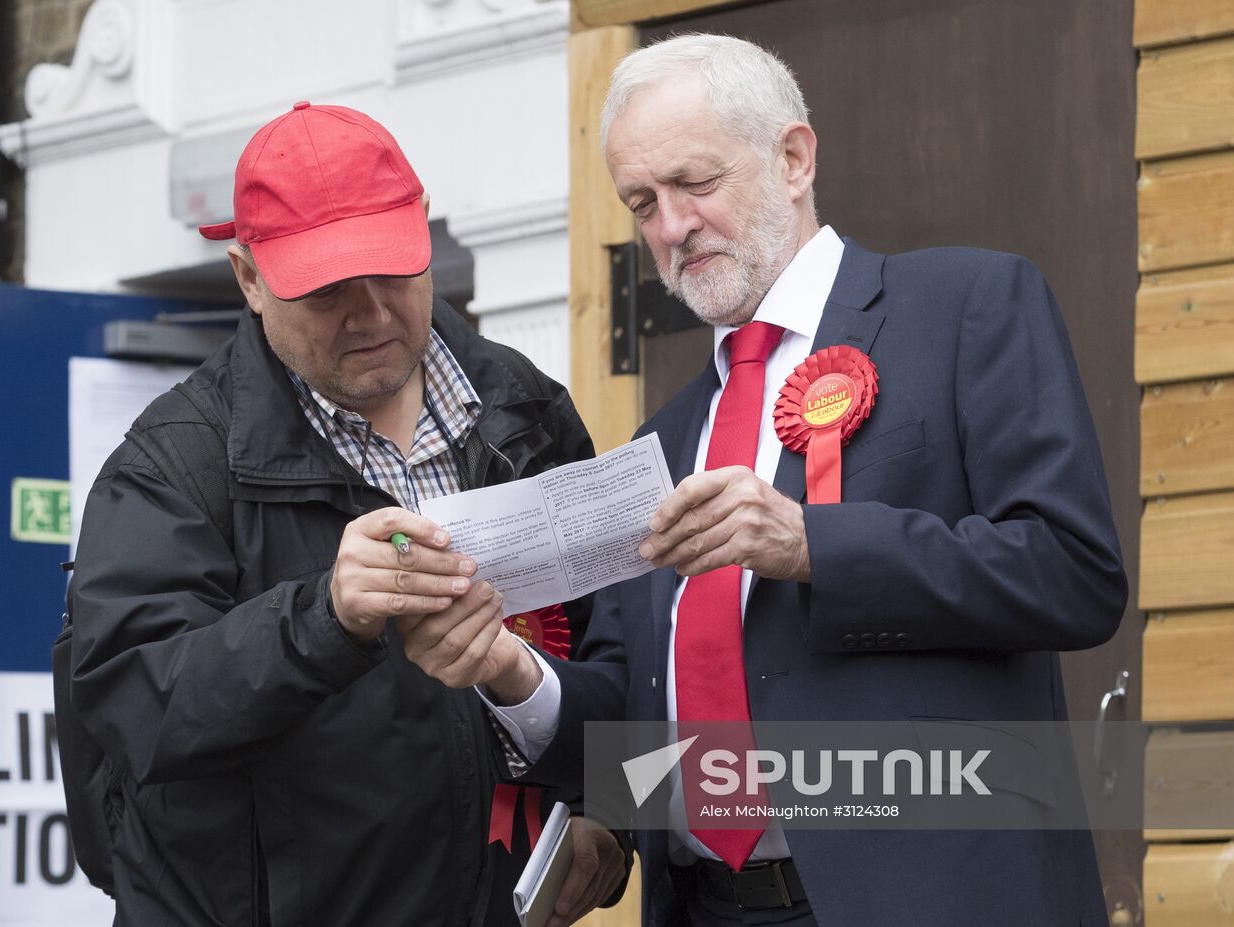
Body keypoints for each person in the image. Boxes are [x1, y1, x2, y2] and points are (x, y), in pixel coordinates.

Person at [401, 35, 1128, 926]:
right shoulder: (660, 445)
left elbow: (1075, 573)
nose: (670, 227)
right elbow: (638, 732)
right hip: (714, 906)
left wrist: (810, 544)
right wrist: (513, 671)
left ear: (792, 157)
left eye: (695, 183)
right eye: (643, 202)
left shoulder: (967, 307)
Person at [68, 101, 628, 926]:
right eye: (327, 287)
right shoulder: (173, 463)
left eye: (392, 269)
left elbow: (621, 653)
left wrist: (607, 812)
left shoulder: (527, 410)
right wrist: (323, 617)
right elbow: (133, 714)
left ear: (425, 231)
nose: (368, 312)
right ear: (249, 279)